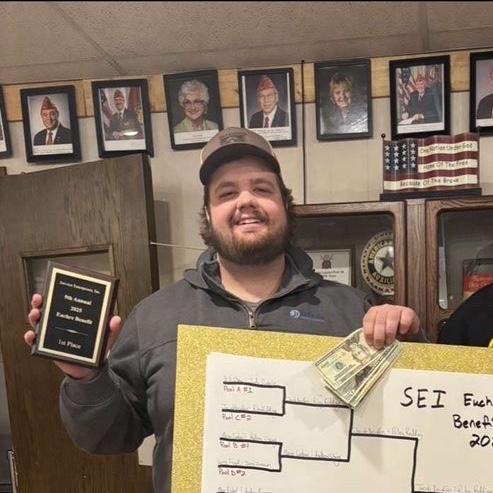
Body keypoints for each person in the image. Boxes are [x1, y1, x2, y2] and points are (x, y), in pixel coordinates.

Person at [26, 127, 421, 493]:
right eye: (226, 193)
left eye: (261, 188)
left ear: (285, 205)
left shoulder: (351, 311)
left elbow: (409, 424)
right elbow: (108, 437)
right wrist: (86, 378)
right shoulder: (154, 317)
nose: (246, 201)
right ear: (208, 215)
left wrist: (408, 343)